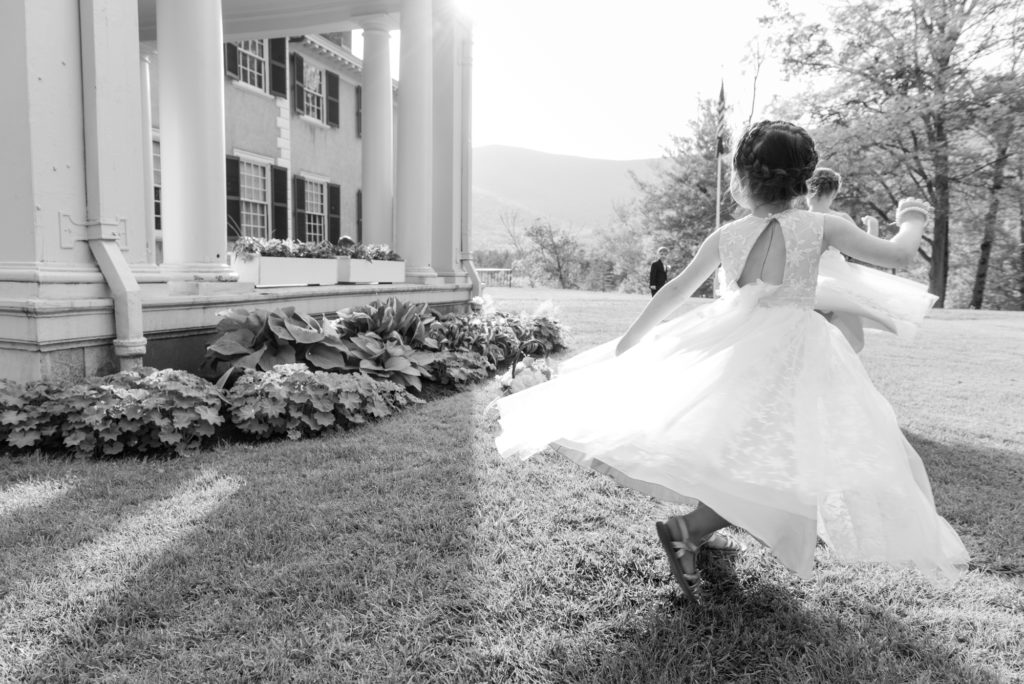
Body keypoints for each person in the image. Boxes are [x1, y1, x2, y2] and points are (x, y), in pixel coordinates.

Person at [492, 120, 968, 601]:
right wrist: (912, 217)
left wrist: (632, 339)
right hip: (791, 352)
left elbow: (678, 288)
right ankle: (688, 530)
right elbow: (900, 255)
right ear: (804, 179)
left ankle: (701, 527)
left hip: (737, 343)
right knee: (780, 456)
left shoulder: (728, 234)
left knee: (735, 440)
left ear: (742, 176)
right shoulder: (823, 227)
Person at [807, 168, 938, 351]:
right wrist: (873, 226)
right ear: (835, 191)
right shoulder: (839, 219)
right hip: (837, 277)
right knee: (849, 342)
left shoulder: (797, 219)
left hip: (808, 278)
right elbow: (864, 249)